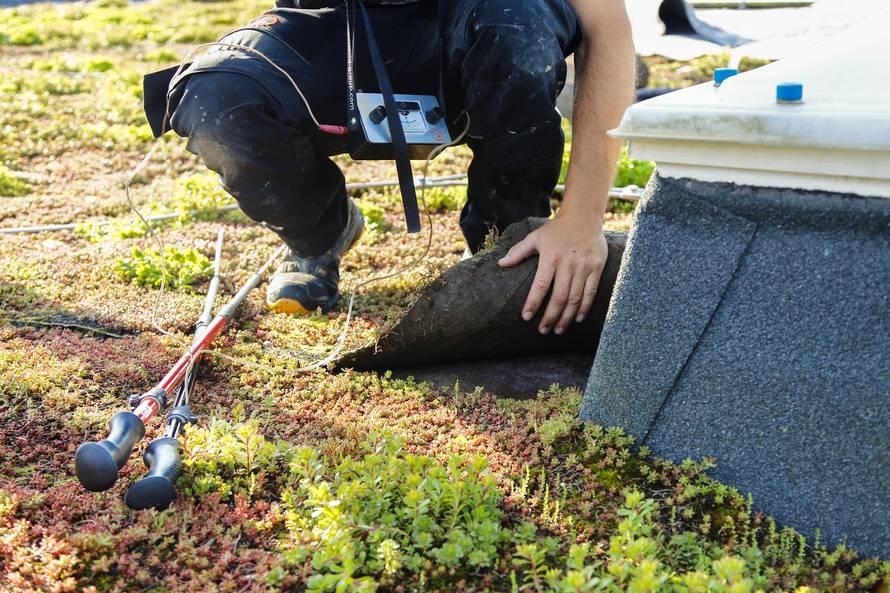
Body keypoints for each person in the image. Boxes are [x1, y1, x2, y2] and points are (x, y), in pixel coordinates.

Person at [150, 0, 634, 336]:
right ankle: (319, 233)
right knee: (217, 96)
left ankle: (508, 242)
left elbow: (607, 27)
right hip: (332, 28)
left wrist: (581, 220)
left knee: (515, 18)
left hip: (477, 28)